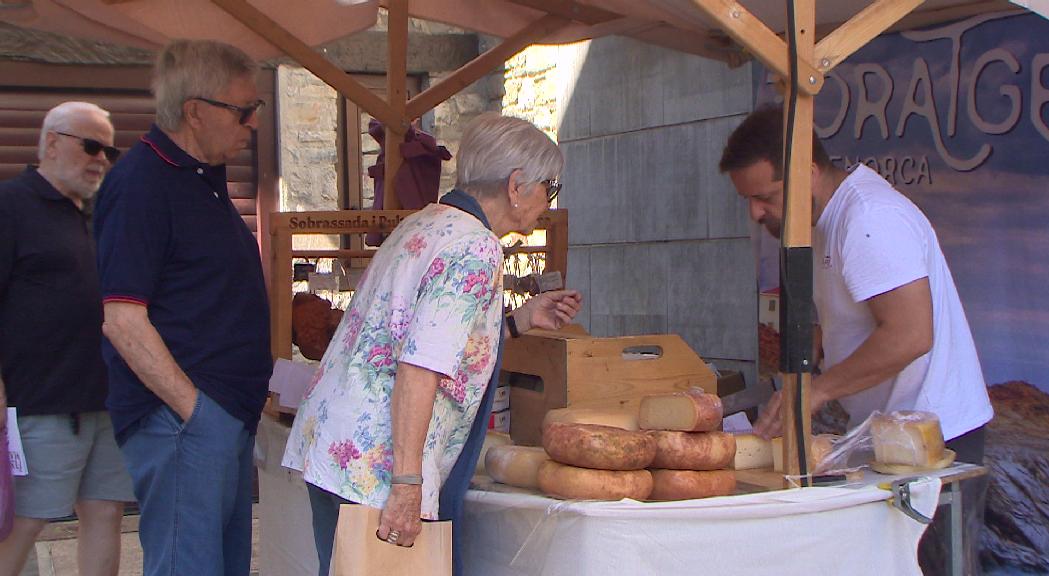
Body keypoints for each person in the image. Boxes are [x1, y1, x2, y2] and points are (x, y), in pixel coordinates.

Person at [283, 112, 582, 576]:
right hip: (377, 463)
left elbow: (426, 336)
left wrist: (519, 321)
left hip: (338, 444)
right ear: (517, 185)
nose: (549, 199)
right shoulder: (475, 247)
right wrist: (406, 483)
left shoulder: (425, 223)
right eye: (550, 186)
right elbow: (421, 364)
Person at [720, 104, 993, 574]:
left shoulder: (869, 218)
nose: (755, 212)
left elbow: (910, 334)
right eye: (747, 199)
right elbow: (848, 320)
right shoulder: (824, 222)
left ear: (806, 170)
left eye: (766, 196)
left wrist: (817, 391)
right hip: (891, 436)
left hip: (935, 439)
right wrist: (804, 370)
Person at [93, 40, 272, 576]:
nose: (252, 124)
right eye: (244, 110)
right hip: (183, 420)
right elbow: (123, 319)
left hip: (217, 416)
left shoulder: (199, 178)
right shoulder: (143, 183)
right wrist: (196, 411)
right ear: (195, 110)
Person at [0, 101, 133, 576]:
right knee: (25, 521)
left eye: (109, 151)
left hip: (105, 398)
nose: (101, 159)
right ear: (51, 143)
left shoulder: (98, 215)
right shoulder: (11, 205)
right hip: (39, 403)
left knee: (105, 511)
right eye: (91, 146)